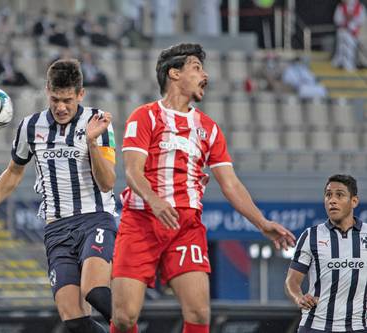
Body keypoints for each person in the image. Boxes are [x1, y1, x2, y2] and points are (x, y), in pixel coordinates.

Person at [110, 43, 296, 333]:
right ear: (174, 73)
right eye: (197, 68)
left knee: (198, 313)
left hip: (185, 226)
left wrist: (261, 222)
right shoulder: (144, 116)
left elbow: (230, 183)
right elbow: (132, 171)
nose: (205, 75)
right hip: (141, 221)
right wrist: (154, 201)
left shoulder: (208, 128)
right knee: (124, 318)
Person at [0, 59, 117, 333]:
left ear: (80, 94)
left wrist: (90, 142)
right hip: (57, 229)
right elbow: (14, 172)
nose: (61, 107)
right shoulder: (31, 126)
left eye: (67, 100)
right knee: (73, 319)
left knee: (95, 292)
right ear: (47, 91)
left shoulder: (98, 122)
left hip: (95, 219)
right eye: (55, 99)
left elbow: (107, 182)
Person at [285, 174, 367, 333]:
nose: (332, 200)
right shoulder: (311, 236)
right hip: (315, 326)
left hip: (358, 327)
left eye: (340, 195)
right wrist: (299, 297)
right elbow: (292, 281)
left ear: (354, 201)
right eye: (328, 195)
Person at [332, 0, 366, 72]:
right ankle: (340, 62)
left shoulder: (360, 7)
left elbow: (362, 20)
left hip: (354, 32)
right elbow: (337, 20)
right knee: (342, 43)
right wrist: (345, 19)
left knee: (350, 44)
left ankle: (349, 64)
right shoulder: (341, 7)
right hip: (343, 30)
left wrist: (352, 18)